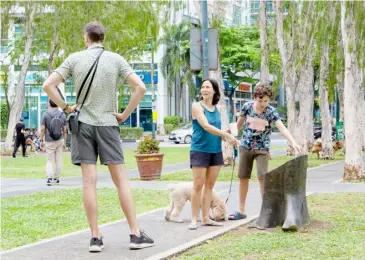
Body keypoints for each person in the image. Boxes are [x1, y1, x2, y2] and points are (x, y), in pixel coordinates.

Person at [42, 21, 154, 252]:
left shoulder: (74, 59)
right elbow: (140, 88)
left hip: (82, 124)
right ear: (103, 37)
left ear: (86, 37)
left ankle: (95, 238)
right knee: (121, 180)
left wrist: (65, 107)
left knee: (88, 183)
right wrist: (124, 114)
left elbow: (48, 85)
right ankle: (135, 234)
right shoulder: (116, 60)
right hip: (107, 124)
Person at [228, 82, 301, 220]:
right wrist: (232, 135)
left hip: (262, 149)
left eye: (266, 101)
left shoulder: (270, 112)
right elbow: (238, 124)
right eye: (260, 100)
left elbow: (282, 128)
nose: (263, 104)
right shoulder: (247, 107)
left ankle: (265, 212)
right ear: (255, 97)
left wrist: (293, 142)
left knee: (263, 177)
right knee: (243, 177)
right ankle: (241, 210)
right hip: (245, 147)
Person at [189, 78, 238, 230]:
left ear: (214, 91)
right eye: (203, 87)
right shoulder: (196, 106)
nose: (204, 90)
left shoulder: (217, 109)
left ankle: (205, 218)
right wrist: (226, 135)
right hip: (199, 150)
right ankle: (194, 219)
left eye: (208, 87)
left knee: (209, 186)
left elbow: (217, 132)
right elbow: (206, 126)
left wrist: (229, 138)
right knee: (198, 185)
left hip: (215, 151)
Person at [40, 99, 67, 186]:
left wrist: (41, 140)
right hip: (60, 140)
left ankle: (49, 178)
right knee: (58, 159)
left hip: (49, 140)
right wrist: (65, 142)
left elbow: (42, 129)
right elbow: (65, 130)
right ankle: (56, 178)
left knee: (50, 160)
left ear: (49, 104)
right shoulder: (62, 114)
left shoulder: (45, 114)